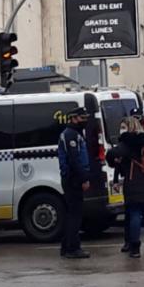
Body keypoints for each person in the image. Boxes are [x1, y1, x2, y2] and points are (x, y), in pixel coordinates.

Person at [107, 115, 144, 258]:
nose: (121, 130)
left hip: (133, 183)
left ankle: (135, 247)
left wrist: (114, 161)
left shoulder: (127, 142)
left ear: (129, 127)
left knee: (135, 214)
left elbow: (112, 154)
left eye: (123, 127)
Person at [57, 109, 91, 259]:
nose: (85, 120)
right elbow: (74, 160)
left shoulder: (74, 133)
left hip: (72, 178)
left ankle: (66, 246)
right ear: (75, 118)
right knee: (75, 215)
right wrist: (83, 179)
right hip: (73, 179)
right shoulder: (71, 135)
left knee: (72, 213)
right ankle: (73, 248)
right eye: (83, 118)